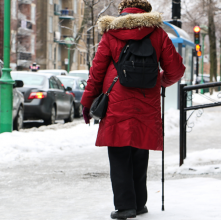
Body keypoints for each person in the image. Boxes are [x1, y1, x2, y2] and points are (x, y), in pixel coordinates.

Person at [80, 0, 186, 219]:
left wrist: (87, 101)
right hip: (146, 101)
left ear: (122, 12)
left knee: (119, 152)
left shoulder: (111, 34)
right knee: (140, 149)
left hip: (116, 101)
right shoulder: (157, 34)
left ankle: (124, 206)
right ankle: (138, 204)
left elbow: (97, 71)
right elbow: (175, 70)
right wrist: (161, 81)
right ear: (146, 12)